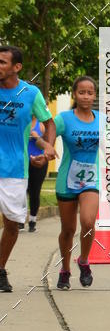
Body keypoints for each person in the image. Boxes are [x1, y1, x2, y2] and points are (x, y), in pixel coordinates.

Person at [0, 46, 56, 293]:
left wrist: (47, 150)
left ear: (16, 67)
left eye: (2, 62)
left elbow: (49, 123)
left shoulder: (31, 93)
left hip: (14, 168)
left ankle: (0, 270)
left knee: (12, 224)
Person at [49, 76, 100, 290]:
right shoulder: (63, 119)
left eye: (90, 92)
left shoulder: (103, 119)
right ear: (74, 94)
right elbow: (48, 131)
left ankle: (84, 260)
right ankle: (65, 269)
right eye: (82, 92)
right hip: (66, 180)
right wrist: (48, 147)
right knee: (68, 230)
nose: (86, 96)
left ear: (95, 96)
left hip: (91, 180)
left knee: (88, 222)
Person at [25, 117, 48, 231]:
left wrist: (36, 137)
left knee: (35, 191)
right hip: (23, 162)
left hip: (39, 162)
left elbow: (44, 145)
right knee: (22, 191)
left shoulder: (41, 125)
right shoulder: (22, 121)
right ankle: (19, 221)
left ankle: (32, 222)